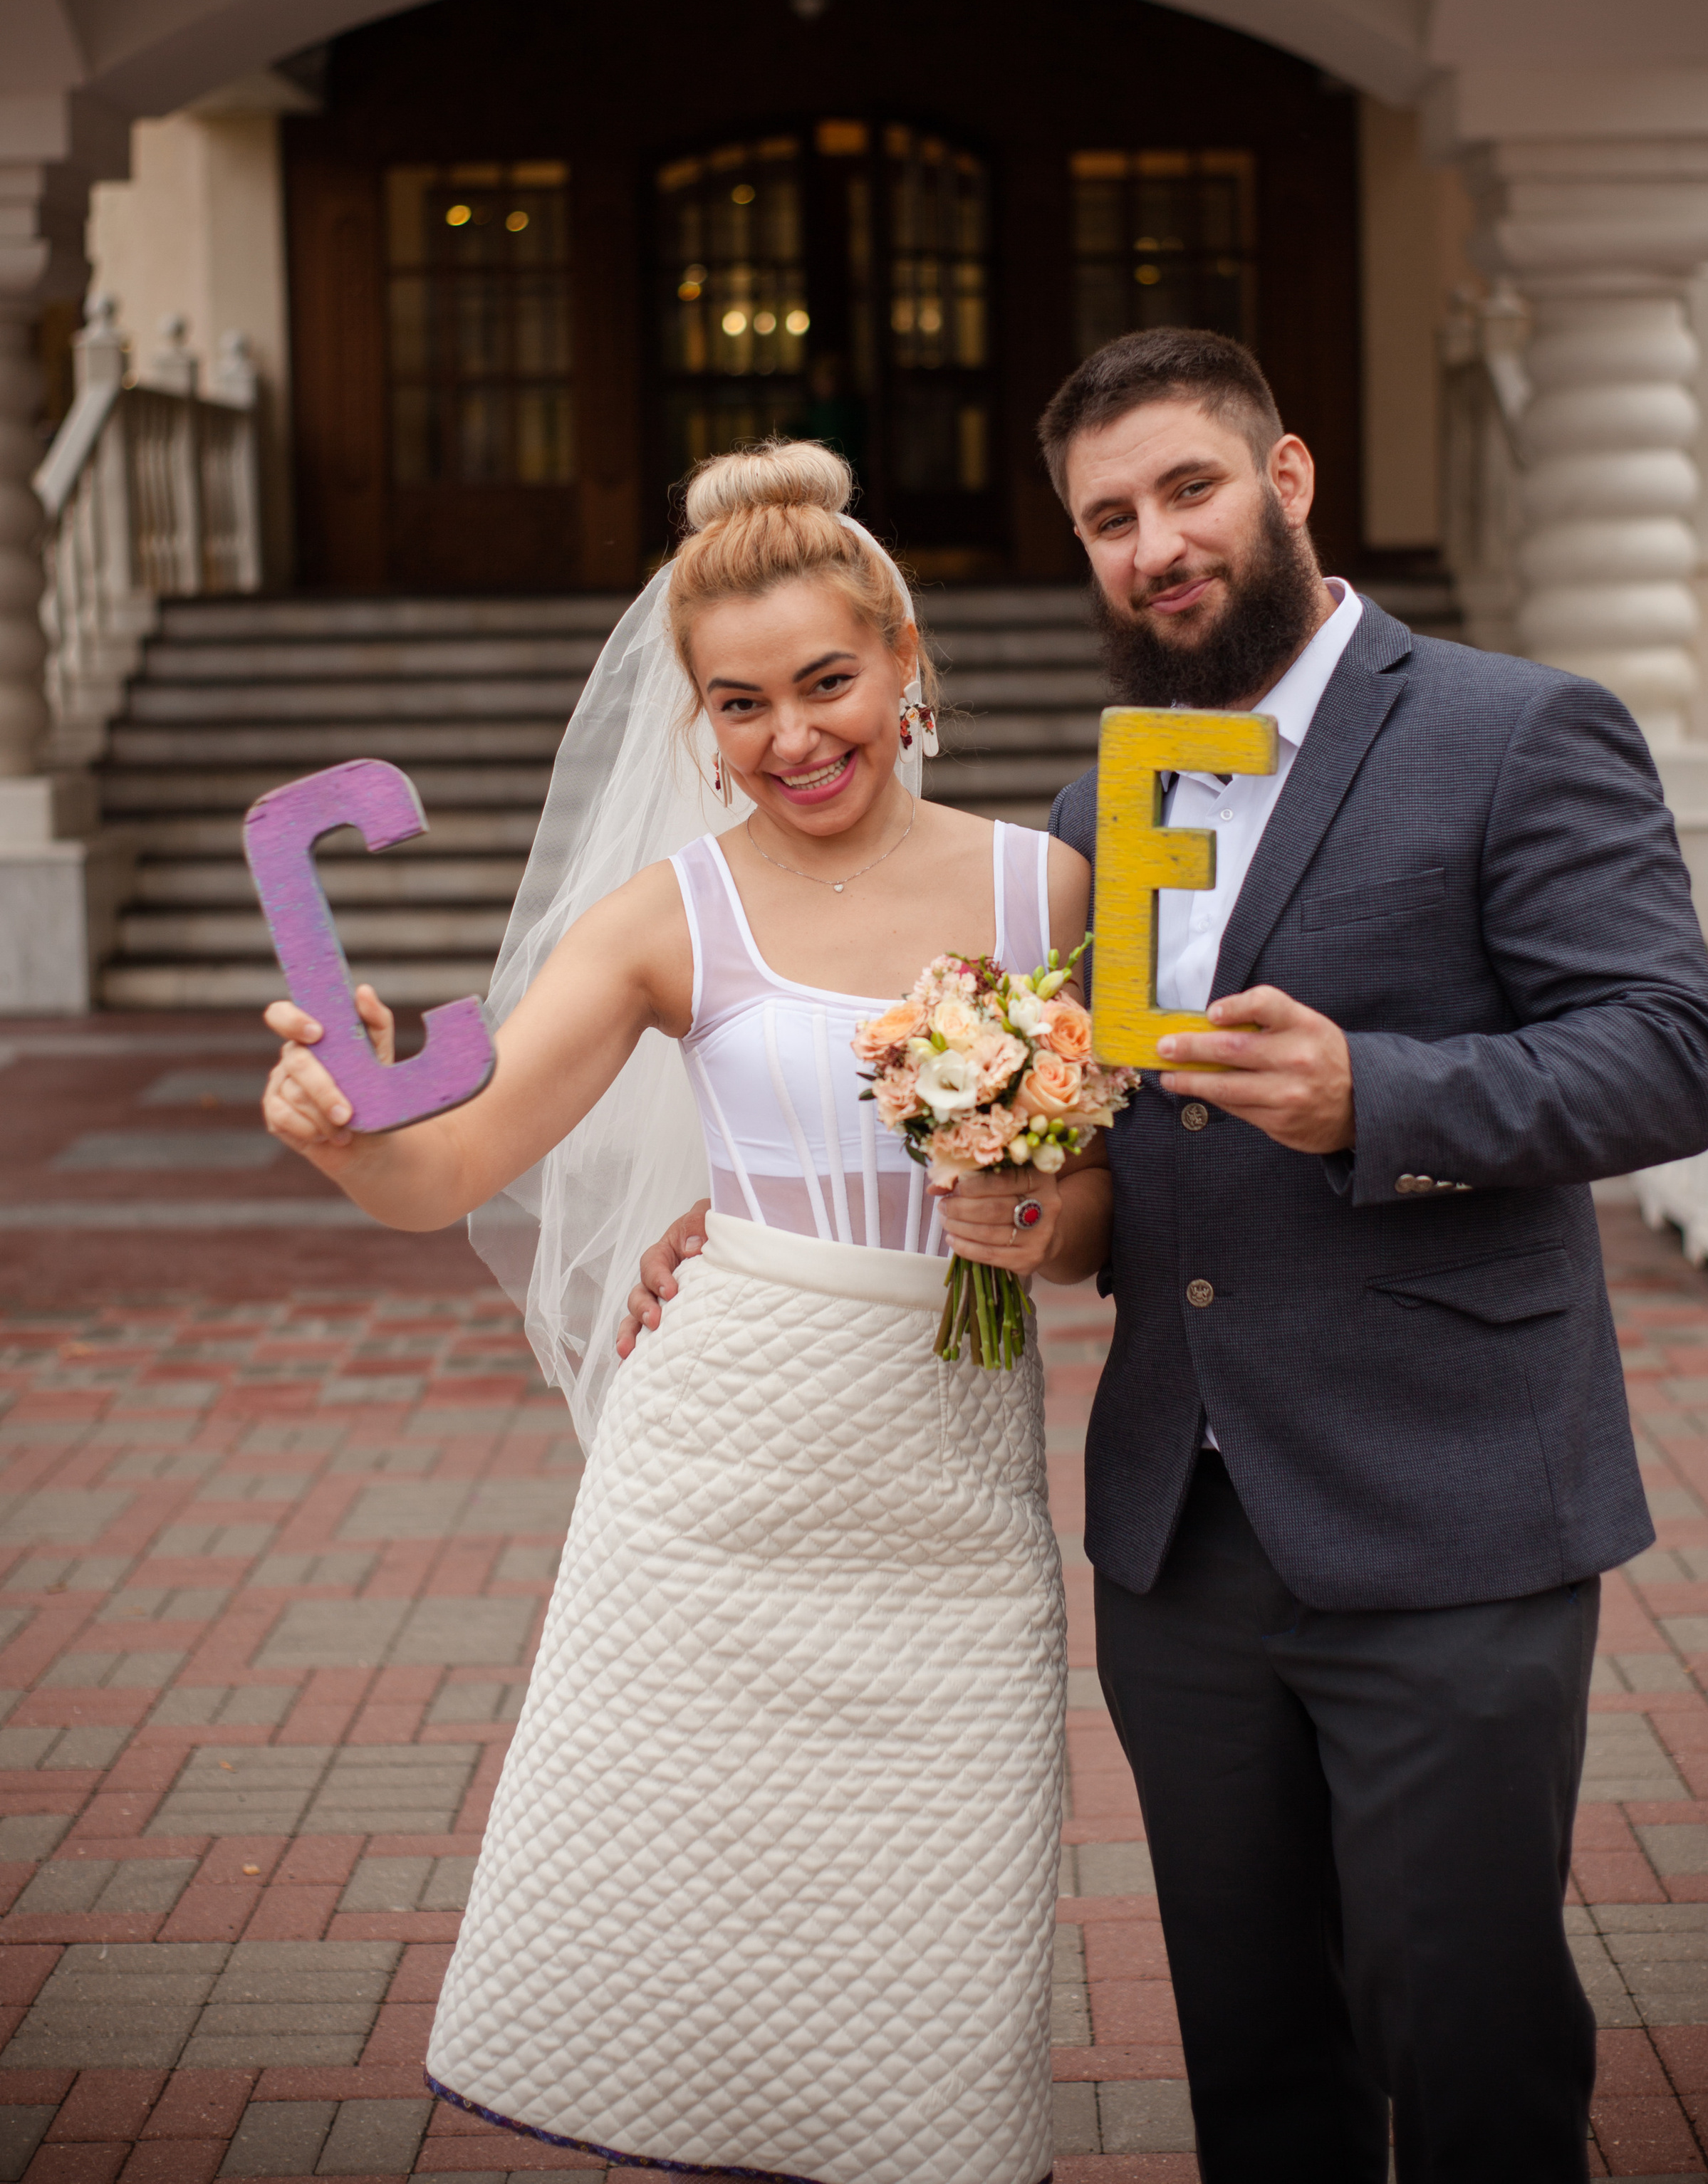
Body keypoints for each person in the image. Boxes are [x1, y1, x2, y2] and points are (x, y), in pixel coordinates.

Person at [636, 333, 1708, 2184]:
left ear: (1289, 479)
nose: (1156, 544)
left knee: (1467, 2042)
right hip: (1181, 1544)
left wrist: (1370, 1091)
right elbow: (1064, 1143)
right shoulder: (1101, 810)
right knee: (1258, 2063)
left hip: (1450, 1520)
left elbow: (1663, 1054)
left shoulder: (1512, 729)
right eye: (1109, 519)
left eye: (1190, 491)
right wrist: (763, 1209)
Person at [260, 440, 1108, 2184]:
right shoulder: (663, 920)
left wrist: (1040, 1215)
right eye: (739, 704)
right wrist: (346, 1137)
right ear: (693, 718)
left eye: (825, 683)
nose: (791, 737)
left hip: (949, 1516)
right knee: (698, 1984)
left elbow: (1119, 1198)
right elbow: (450, 1170)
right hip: (711, 1496)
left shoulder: (1052, 891)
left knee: (935, 2004)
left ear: (904, 662)